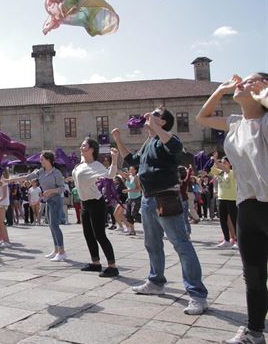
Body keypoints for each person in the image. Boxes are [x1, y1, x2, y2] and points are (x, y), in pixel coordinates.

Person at [196, 73, 267, 344]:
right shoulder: (235, 123)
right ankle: (255, 332)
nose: (242, 84)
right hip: (247, 206)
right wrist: (221, 90)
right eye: (243, 80)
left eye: (252, 81)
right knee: (254, 273)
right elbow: (203, 118)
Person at [112, 107, 208, 315]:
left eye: (156, 115)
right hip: (148, 199)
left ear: (163, 122)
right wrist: (118, 140)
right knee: (152, 243)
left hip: (166, 197)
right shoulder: (149, 143)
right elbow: (132, 161)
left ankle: (197, 294)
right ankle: (156, 282)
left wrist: (154, 126)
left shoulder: (168, 139)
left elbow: (175, 148)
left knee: (181, 244)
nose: (149, 115)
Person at [71, 142, 120, 277]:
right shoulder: (81, 163)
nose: (81, 147)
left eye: (84, 146)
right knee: (88, 234)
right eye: (81, 145)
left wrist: (114, 159)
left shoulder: (96, 166)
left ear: (92, 149)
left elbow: (110, 176)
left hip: (96, 203)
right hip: (84, 203)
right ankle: (96, 263)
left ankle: (112, 266)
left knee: (99, 235)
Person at [6, 151, 66, 261]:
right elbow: (26, 177)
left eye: (42, 159)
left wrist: (51, 191)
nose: (40, 161)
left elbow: (62, 188)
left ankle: (62, 251)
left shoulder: (56, 172)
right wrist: (9, 180)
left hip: (56, 200)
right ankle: (56, 249)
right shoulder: (40, 172)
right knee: (51, 226)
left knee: (55, 226)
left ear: (49, 160)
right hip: (48, 200)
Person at [210, 153, 238, 249]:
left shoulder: (232, 172)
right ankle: (226, 240)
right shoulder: (220, 172)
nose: (222, 164)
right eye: (222, 162)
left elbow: (225, 168)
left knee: (234, 220)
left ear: (230, 164)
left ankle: (237, 240)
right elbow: (213, 170)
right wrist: (215, 162)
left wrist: (216, 160)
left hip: (232, 199)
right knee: (223, 220)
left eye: (225, 162)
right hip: (221, 198)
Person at [123, 166, 142, 235]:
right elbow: (119, 171)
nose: (130, 170)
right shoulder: (129, 177)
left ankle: (147, 222)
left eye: (132, 169)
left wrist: (128, 190)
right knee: (128, 215)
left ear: (135, 170)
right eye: (129, 169)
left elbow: (139, 189)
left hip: (136, 198)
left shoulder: (136, 178)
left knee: (134, 213)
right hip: (130, 198)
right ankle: (132, 231)